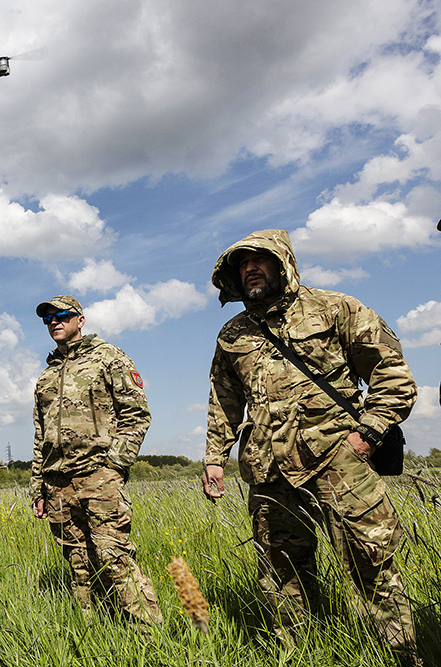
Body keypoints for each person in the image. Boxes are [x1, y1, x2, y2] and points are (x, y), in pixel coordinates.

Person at [201, 229, 419, 665]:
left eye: (259, 259)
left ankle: (403, 657)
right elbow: (224, 401)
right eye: (242, 264)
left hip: (338, 461)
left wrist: (368, 434)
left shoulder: (336, 308)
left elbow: (393, 375)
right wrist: (214, 457)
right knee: (280, 573)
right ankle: (299, 655)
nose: (250, 269)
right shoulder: (233, 334)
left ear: (283, 262)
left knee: (371, 564)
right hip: (268, 471)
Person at [30, 295, 162, 627]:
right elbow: (40, 435)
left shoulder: (108, 357)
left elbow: (136, 415)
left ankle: (150, 634)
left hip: (98, 477)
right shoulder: (47, 376)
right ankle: (97, 631)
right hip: (58, 485)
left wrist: (114, 465)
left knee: (114, 558)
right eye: (48, 319)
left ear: (80, 320)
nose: (54, 322)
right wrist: (38, 487)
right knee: (79, 564)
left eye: (62, 315)